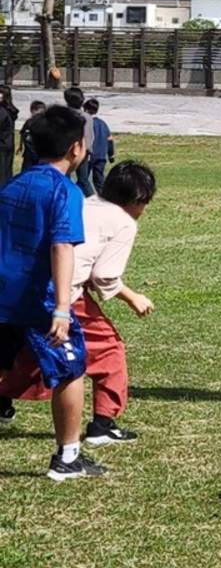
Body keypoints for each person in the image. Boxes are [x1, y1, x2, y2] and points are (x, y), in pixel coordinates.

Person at [0, 160, 156, 446]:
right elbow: (104, 276)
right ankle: (103, 423)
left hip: (25, 284)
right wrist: (133, 297)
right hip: (63, 291)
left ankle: (3, 398)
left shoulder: (87, 202)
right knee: (108, 349)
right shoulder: (123, 222)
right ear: (137, 200)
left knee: (33, 351)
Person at [0, 105, 106, 480]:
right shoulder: (66, 191)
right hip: (38, 299)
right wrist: (62, 307)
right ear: (76, 148)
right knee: (71, 368)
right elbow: (62, 246)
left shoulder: (14, 184)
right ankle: (68, 456)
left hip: (3, 295)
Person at [63, 87, 95, 197]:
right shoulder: (87, 117)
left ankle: (67, 197)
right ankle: (93, 200)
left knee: (65, 176)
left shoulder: (66, 116)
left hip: (68, 150)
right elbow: (90, 136)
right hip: (84, 151)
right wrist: (88, 150)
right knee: (83, 179)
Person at [83, 98, 115, 191]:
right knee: (99, 179)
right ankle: (103, 196)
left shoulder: (86, 123)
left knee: (84, 179)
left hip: (88, 156)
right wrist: (111, 154)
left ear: (86, 109)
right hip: (101, 156)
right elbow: (110, 140)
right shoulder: (103, 124)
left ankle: (87, 196)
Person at [18, 100, 46, 173]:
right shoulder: (29, 122)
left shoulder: (45, 123)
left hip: (40, 153)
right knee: (26, 171)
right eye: (37, 111)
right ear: (32, 111)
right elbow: (22, 133)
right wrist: (20, 146)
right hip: (28, 153)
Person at [0, 85, 17, 185]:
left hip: (2, 144)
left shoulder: (2, 112)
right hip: (8, 143)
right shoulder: (9, 110)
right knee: (6, 171)